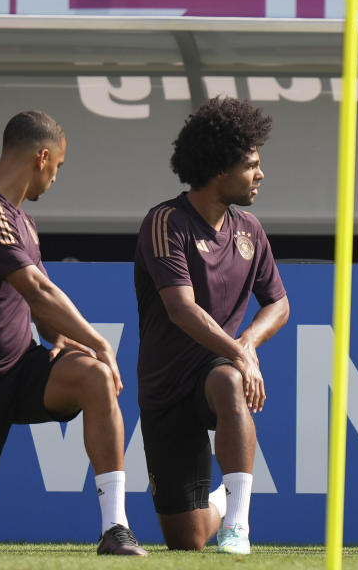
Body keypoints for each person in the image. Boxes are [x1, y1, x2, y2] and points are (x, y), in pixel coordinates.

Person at [0, 110, 146, 555]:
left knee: (94, 376)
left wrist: (62, 337)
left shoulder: (24, 223)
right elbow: (39, 288)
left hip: (22, 369)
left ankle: (115, 528)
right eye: (58, 167)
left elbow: (37, 307)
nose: (55, 179)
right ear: (42, 157)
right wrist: (98, 340)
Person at [134, 97, 289, 554]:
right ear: (220, 170)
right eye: (251, 166)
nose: (260, 174)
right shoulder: (166, 222)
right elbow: (181, 309)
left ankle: (238, 524)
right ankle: (222, 502)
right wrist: (242, 352)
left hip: (215, 368)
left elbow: (278, 304)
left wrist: (246, 345)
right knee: (186, 539)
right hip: (164, 387)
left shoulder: (250, 230)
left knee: (227, 381)